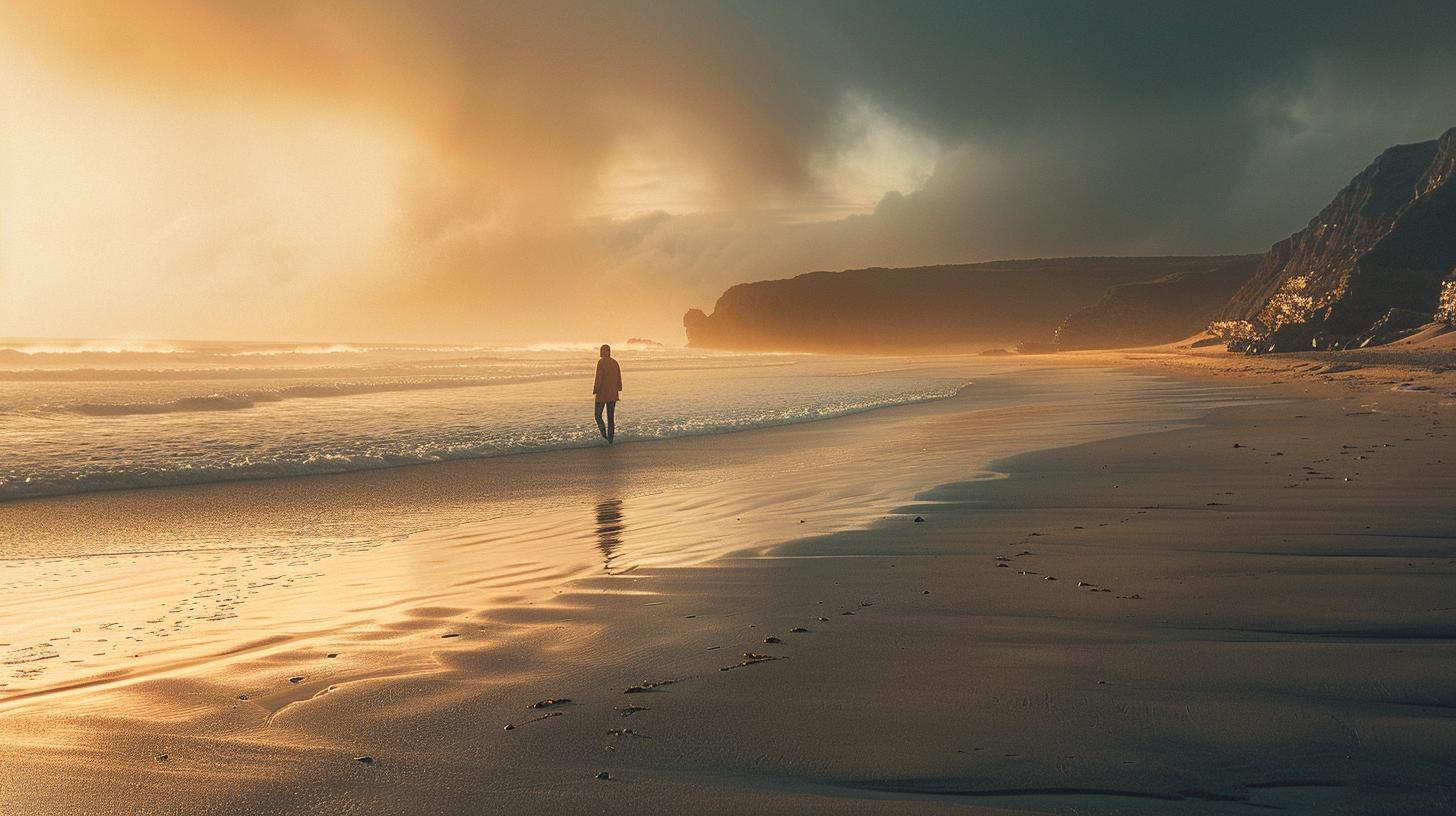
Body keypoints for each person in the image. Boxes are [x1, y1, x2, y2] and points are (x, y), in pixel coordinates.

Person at [592, 344, 622, 443]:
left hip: (602, 394)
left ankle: (604, 435)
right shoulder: (615, 362)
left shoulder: (601, 362)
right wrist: (618, 390)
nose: (600, 352)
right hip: (613, 394)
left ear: (607, 351)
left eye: (602, 350)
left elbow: (598, 378)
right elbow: (619, 379)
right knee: (610, 418)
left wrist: (595, 389)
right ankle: (610, 439)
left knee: (597, 415)